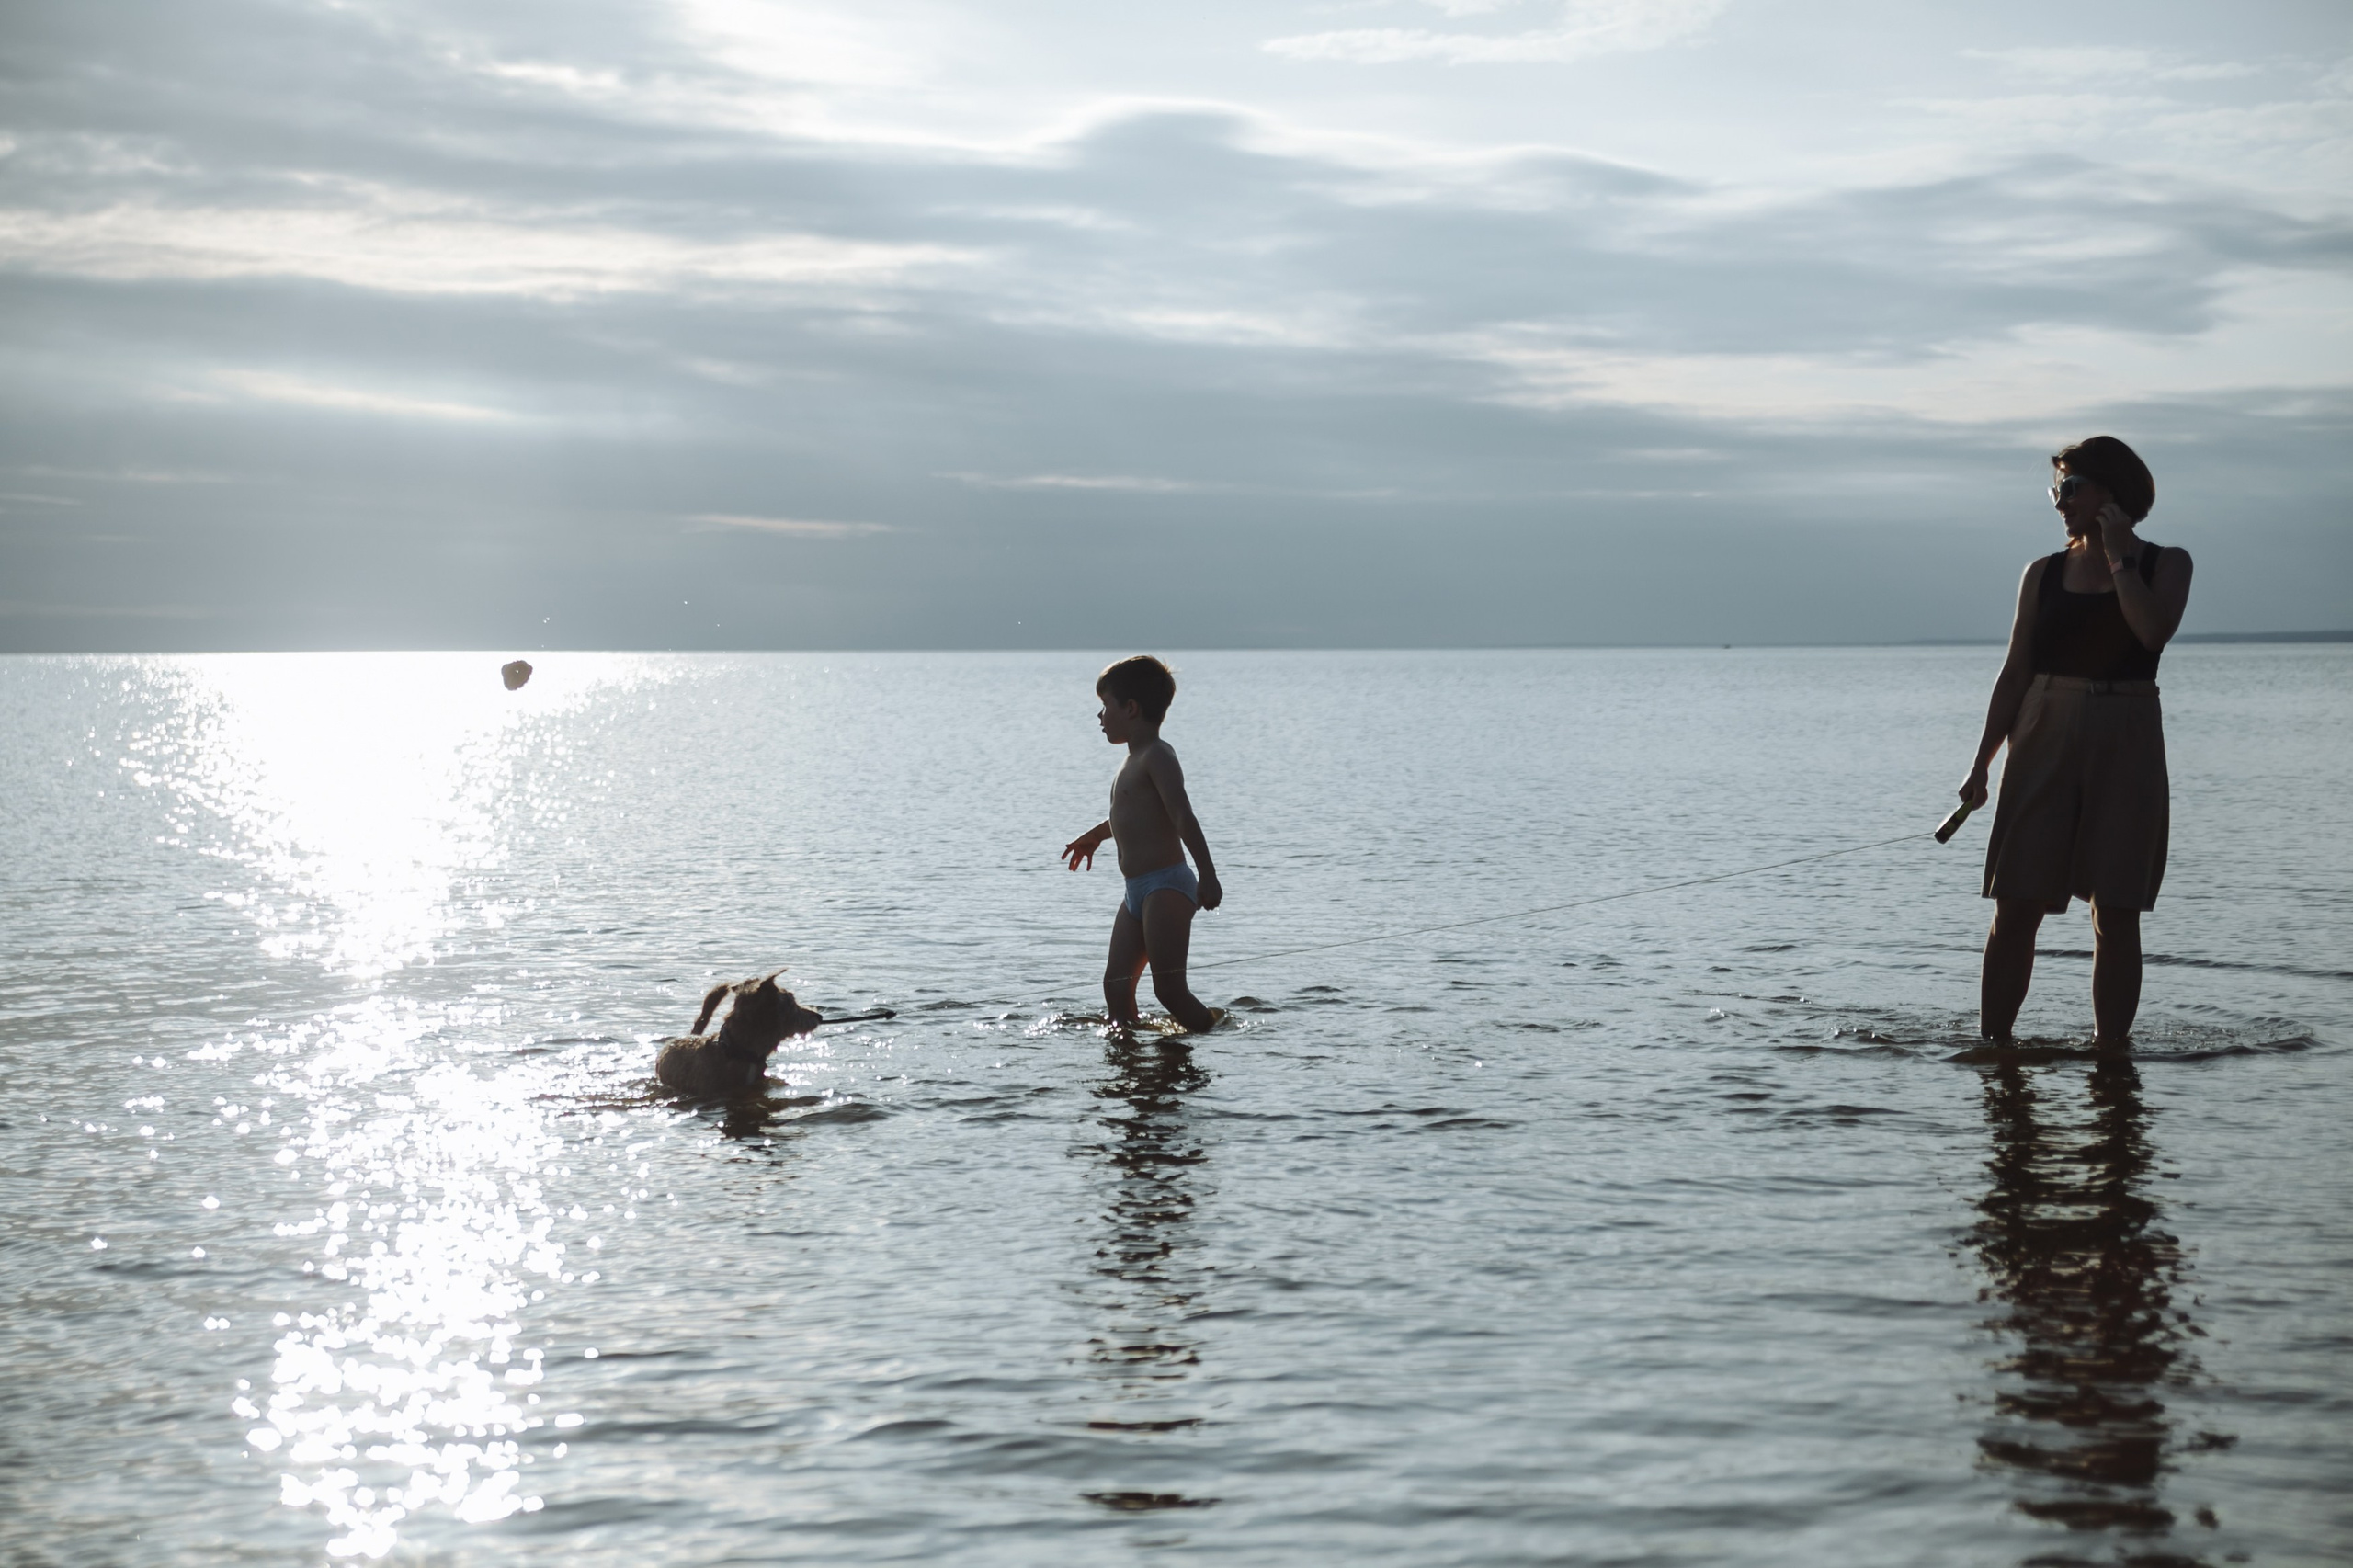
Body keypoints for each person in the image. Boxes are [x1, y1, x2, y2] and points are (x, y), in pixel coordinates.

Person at [1959, 437, 2193, 1046]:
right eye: (2055, 490)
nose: (2060, 502)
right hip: (2044, 725)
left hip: (2128, 731)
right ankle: (1994, 1050)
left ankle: (2111, 1058)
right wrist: (1981, 764)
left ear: (2112, 491)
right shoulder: (2042, 574)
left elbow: (2151, 633)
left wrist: (2118, 560)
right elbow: (2015, 672)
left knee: (2115, 908)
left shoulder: (2167, 563)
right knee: (2016, 902)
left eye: (2070, 488)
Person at [1061, 655, 1225, 1033]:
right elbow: (1132, 817)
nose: (1100, 716)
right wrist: (1095, 836)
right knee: (1115, 988)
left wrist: (1208, 875)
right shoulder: (1132, 761)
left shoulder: (1158, 756)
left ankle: (1213, 1039)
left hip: (1166, 885)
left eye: (1106, 705)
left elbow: (1182, 816)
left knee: (1169, 989)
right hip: (1135, 890)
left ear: (1131, 708)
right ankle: (1127, 1056)